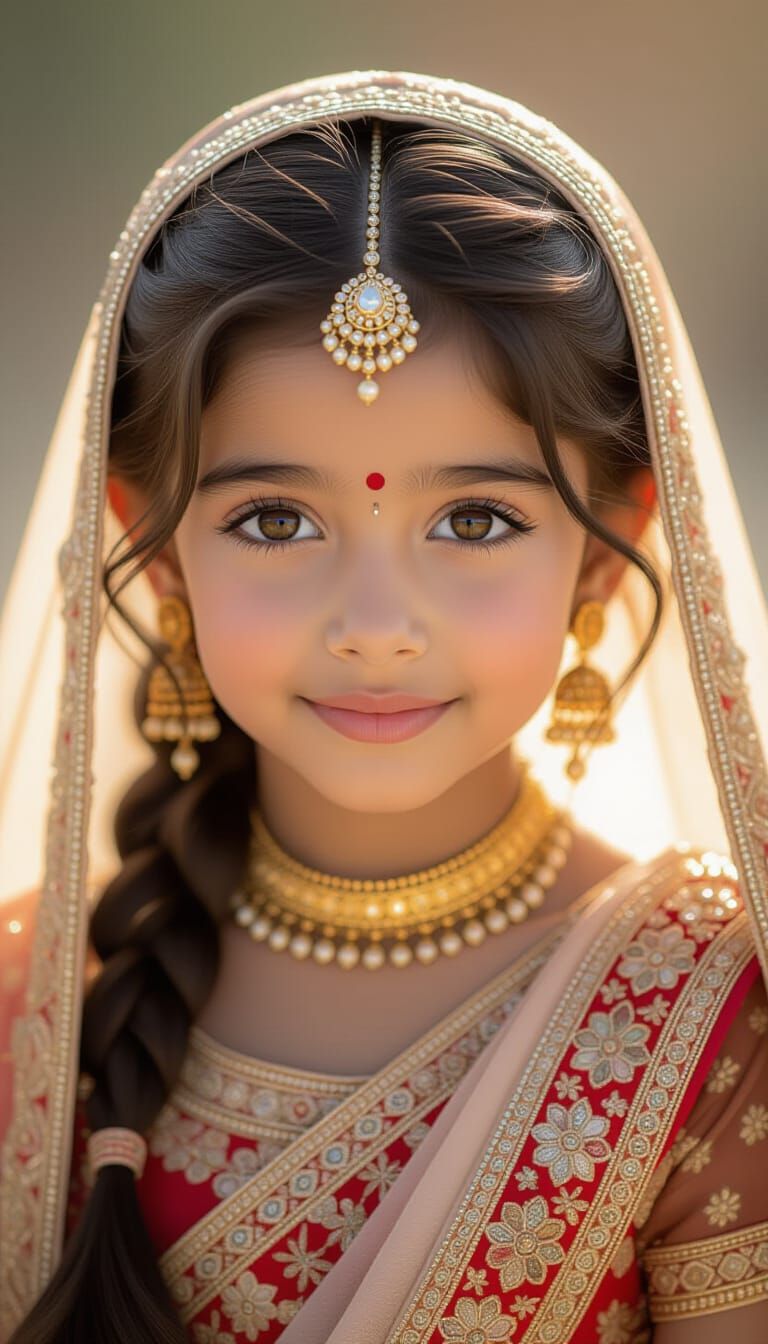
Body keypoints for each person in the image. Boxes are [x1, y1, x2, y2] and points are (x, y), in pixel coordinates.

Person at [1, 69, 767, 1344]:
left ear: (605, 547)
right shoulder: (38, 1011)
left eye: (474, 521)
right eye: (274, 520)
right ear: (151, 548)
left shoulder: (709, 1017)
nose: (373, 621)